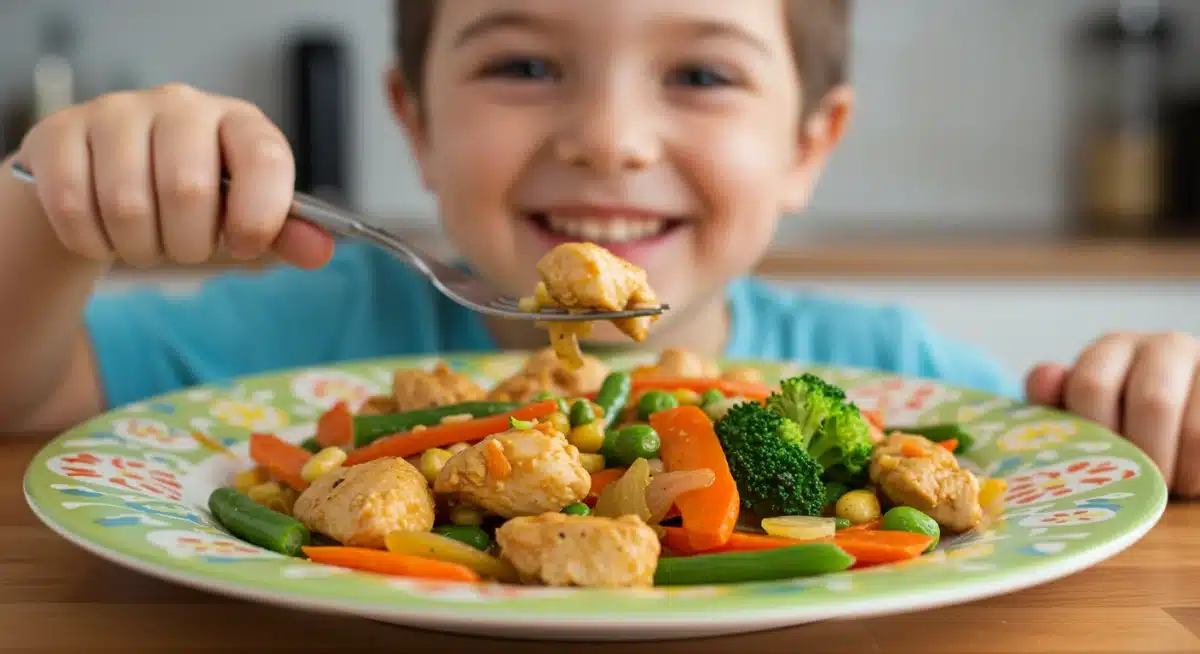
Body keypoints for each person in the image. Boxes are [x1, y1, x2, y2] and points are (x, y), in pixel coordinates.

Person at [0, 0, 1196, 497]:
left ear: (807, 144)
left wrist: (1157, 403)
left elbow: (1060, 473)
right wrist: (46, 205)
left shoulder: (889, 370)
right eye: (524, 66)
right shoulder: (293, 335)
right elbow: (22, 388)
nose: (611, 140)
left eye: (701, 74)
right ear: (412, 121)